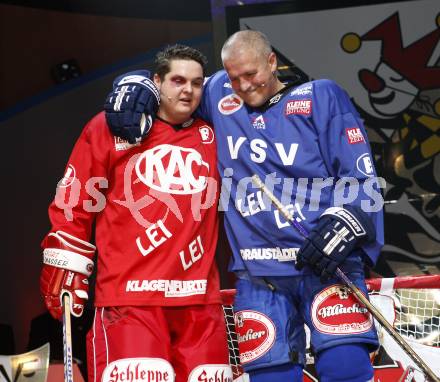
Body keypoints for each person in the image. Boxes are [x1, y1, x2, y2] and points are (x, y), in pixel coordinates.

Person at [104, 31, 384, 382]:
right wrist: (134, 83)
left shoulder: (321, 96)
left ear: (272, 62)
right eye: (234, 77)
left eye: (251, 74)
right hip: (258, 275)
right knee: (270, 378)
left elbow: (359, 173)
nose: (244, 85)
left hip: (325, 263)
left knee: (346, 369)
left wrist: (348, 219)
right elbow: (177, 86)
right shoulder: (220, 91)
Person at [40, 44, 233, 382]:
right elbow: (74, 200)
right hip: (129, 301)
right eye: (177, 80)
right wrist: (64, 261)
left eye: (196, 82)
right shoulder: (111, 126)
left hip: (199, 302)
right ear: (156, 81)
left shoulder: (215, 134)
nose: (188, 90)